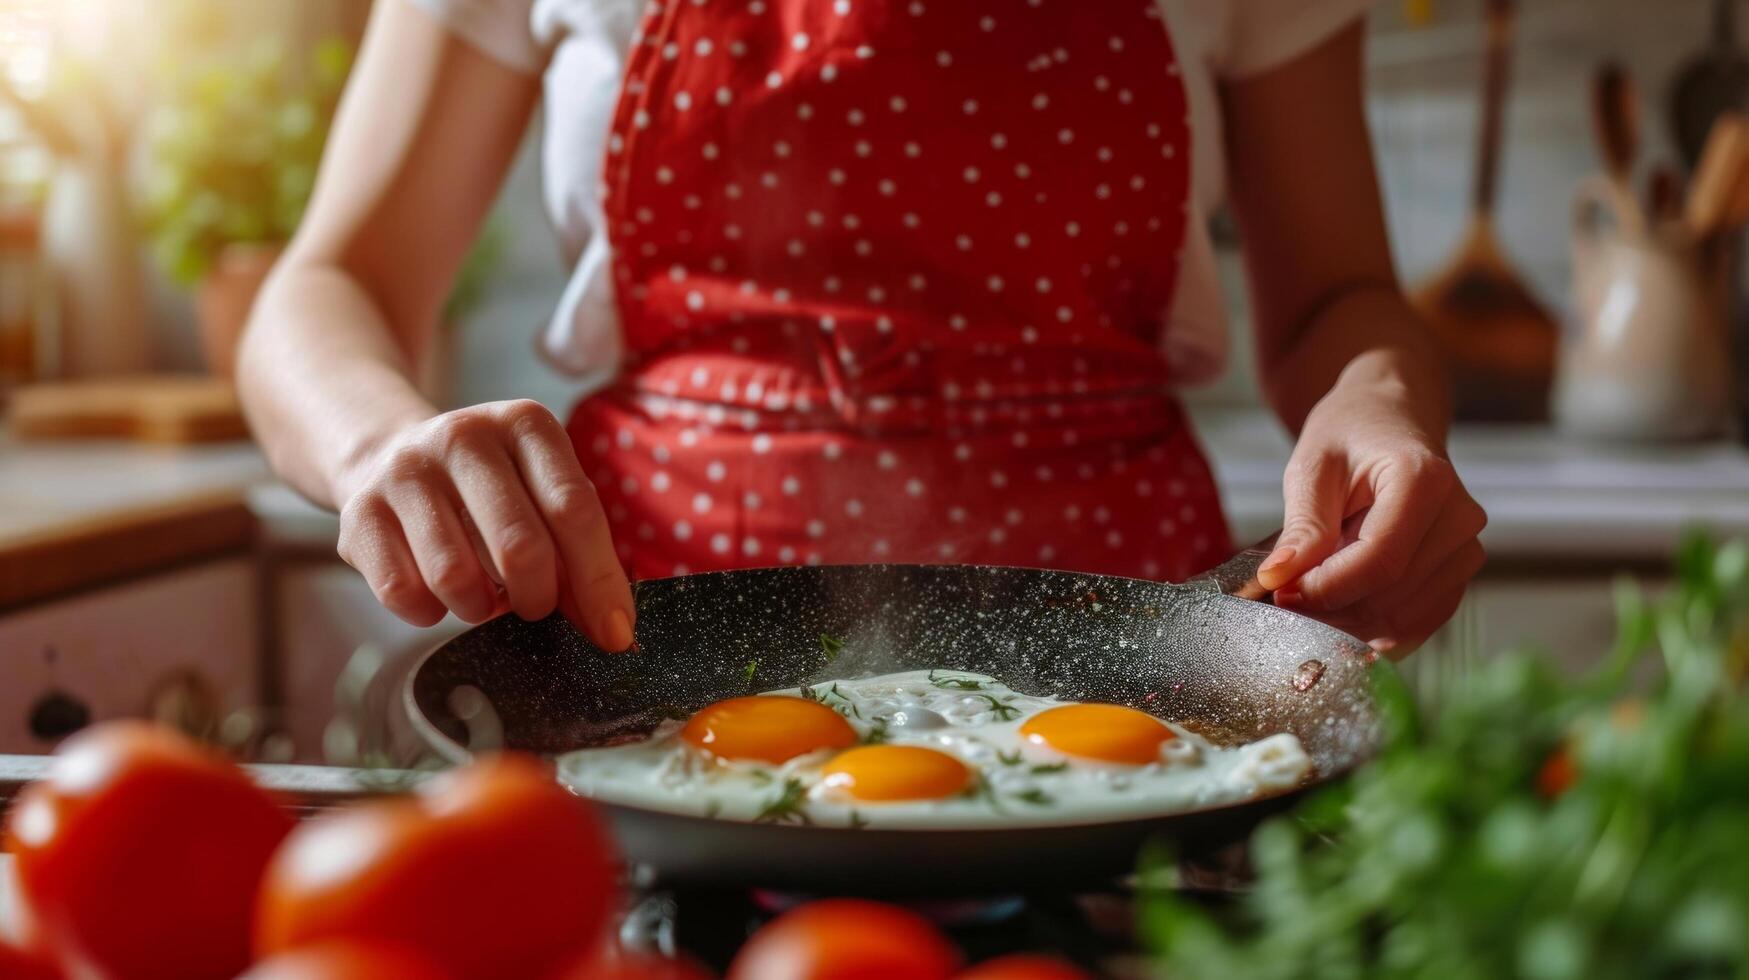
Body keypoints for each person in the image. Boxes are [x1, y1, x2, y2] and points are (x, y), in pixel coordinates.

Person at [238, 0, 1487, 657]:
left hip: (1135, 666)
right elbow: (332, 283)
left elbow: (1339, 300)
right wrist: (374, 445)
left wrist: (1380, 400)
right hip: (638, 662)